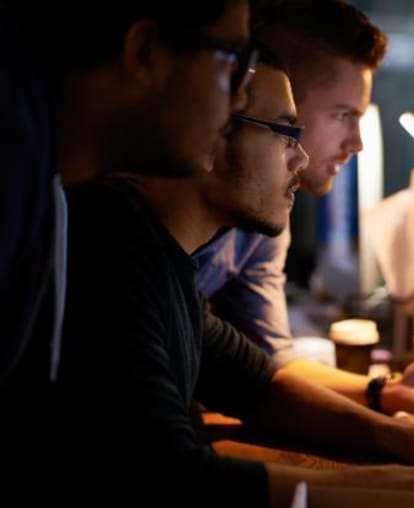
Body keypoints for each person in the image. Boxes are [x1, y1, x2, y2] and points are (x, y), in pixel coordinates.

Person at [25, 46, 414, 508]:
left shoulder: (159, 256)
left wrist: (405, 436)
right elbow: (177, 486)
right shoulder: (108, 248)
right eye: (285, 133)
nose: (300, 159)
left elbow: (260, 386)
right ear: (212, 135)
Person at [193, 0, 414, 417]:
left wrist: (387, 389)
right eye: (343, 115)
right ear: (269, 94)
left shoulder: (264, 219)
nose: (357, 143)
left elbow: (271, 362)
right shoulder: (142, 224)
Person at [0, 0, 255, 395]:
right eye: (232, 60)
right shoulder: (14, 159)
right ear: (145, 52)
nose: (240, 99)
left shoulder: (47, 174)